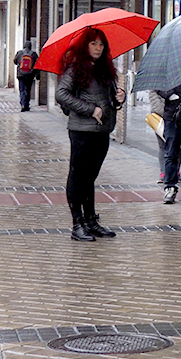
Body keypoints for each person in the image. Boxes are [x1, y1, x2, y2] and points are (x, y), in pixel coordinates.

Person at [55, 28, 126, 242]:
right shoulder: (76, 69)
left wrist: (117, 99)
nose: (97, 48)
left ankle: (90, 221)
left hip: (102, 131)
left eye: (101, 44)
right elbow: (61, 94)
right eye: (93, 44)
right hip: (82, 131)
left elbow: (107, 101)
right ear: (85, 46)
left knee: (90, 178)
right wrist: (90, 109)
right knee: (78, 176)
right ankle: (77, 223)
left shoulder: (104, 70)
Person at [13, 40, 39, 111]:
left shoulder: (19, 53)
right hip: (30, 74)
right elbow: (37, 65)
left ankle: (22, 104)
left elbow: (15, 61)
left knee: (21, 90)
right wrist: (37, 75)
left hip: (20, 74)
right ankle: (26, 104)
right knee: (27, 89)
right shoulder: (33, 54)